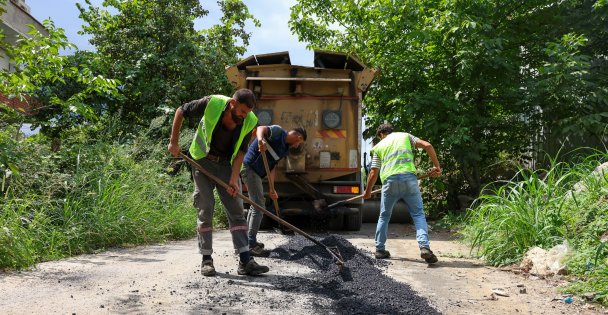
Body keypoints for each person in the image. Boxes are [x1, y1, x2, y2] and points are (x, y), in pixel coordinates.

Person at [167, 89, 270, 276]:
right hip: (201, 160)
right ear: (232, 103)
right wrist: (173, 142)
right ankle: (206, 259)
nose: (244, 116)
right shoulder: (212, 102)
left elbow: (241, 152)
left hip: (226, 166)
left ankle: (245, 260)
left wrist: (233, 179)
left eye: (247, 112)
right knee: (206, 207)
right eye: (241, 111)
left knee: (237, 209)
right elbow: (181, 110)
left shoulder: (250, 121)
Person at [363, 123, 441, 263]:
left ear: (381, 134)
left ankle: (380, 249)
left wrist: (367, 192)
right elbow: (427, 145)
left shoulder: (379, 146)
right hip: (409, 180)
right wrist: (436, 166)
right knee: (418, 214)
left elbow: (374, 172)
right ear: (391, 131)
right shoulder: (406, 136)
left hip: (390, 182)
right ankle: (424, 247)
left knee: (384, 216)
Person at [241, 125, 307, 256]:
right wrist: (261, 140)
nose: (297, 146)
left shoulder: (284, 149)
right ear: (298, 137)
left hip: (257, 174)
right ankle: (250, 243)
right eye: (299, 142)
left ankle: (247, 240)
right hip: (249, 169)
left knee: (256, 205)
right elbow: (261, 128)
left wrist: (272, 187)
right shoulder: (278, 132)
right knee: (259, 206)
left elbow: (272, 167)